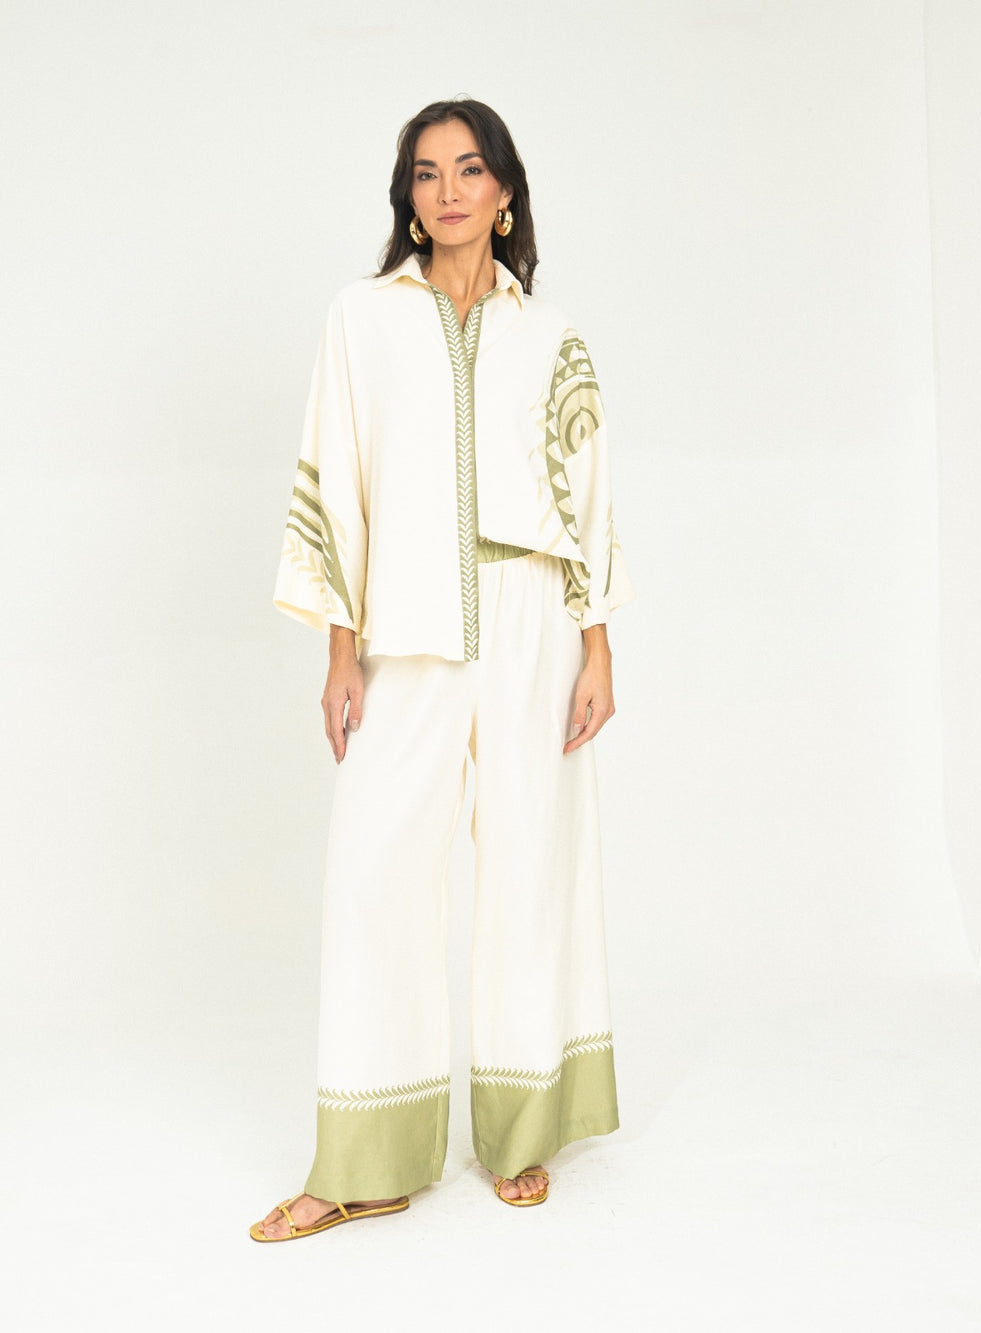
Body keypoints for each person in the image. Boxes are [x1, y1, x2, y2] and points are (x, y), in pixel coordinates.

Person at [250, 97, 636, 1242]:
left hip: (532, 621)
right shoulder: (361, 319)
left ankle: (521, 1133)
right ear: (407, 198)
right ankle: (365, 1162)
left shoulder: (550, 334)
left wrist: (597, 645)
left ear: (504, 191)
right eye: (427, 173)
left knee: (528, 868)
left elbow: (588, 493)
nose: (450, 190)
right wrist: (339, 649)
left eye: (470, 170)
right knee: (375, 874)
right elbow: (338, 473)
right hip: (405, 628)